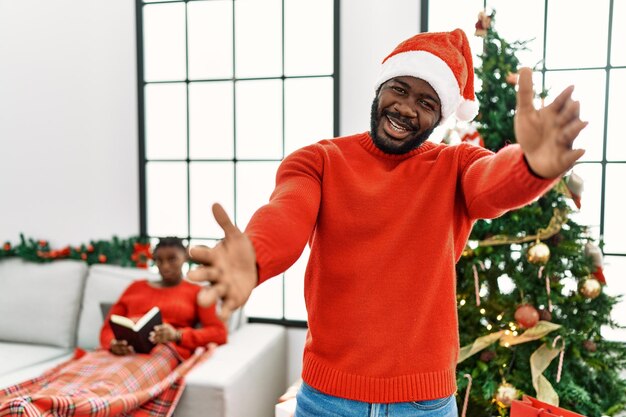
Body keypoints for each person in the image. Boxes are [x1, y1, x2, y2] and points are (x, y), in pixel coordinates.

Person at [187, 29, 587, 417]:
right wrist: (255, 257)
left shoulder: (455, 165)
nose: (407, 107)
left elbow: (493, 184)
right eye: (399, 89)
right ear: (379, 88)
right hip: (327, 400)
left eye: (427, 102)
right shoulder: (319, 160)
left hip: (424, 406)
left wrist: (531, 166)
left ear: (441, 117)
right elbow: (287, 214)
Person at [0, 237, 227, 417]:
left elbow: (218, 332)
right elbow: (109, 325)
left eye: (172, 259)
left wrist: (177, 334)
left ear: (184, 259)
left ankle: (55, 408)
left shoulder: (196, 292)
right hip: (119, 349)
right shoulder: (136, 287)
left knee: (113, 383)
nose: (165, 265)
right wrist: (112, 343)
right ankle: (27, 406)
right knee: (74, 374)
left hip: (161, 351)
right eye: (159, 260)